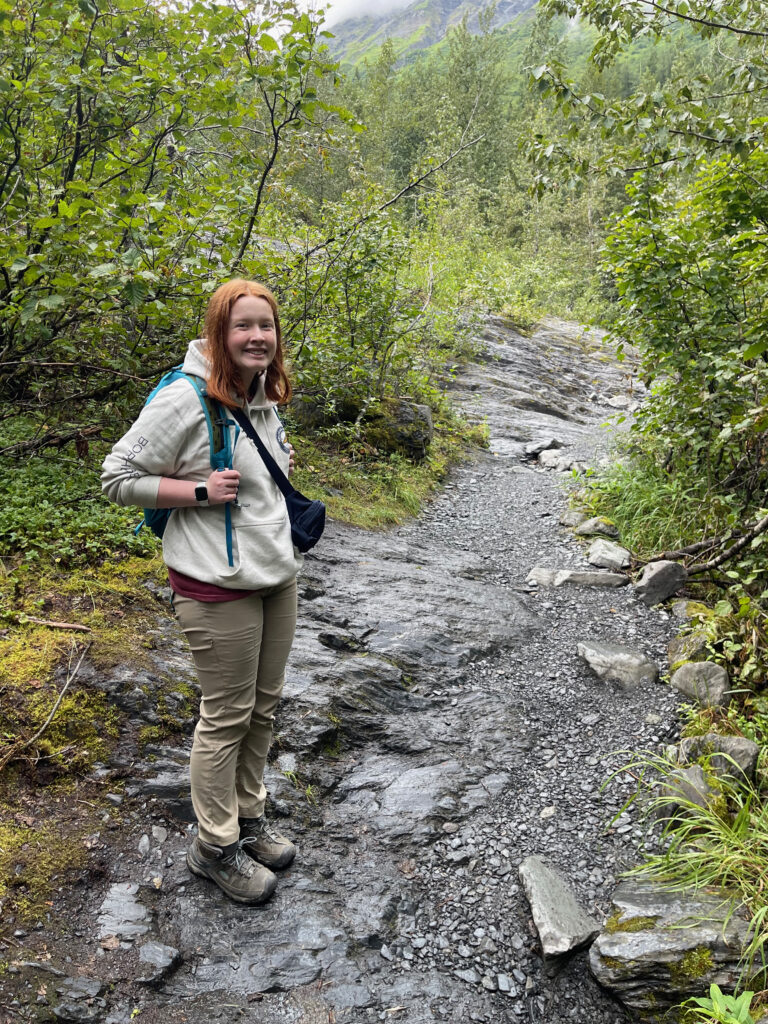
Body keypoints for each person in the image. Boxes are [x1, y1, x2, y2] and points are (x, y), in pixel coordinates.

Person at [101, 279, 302, 905]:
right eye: (243, 326)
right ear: (220, 332)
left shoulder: (260, 396)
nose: (256, 337)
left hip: (275, 577)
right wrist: (197, 493)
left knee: (263, 708)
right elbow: (117, 476)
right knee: (226, 717)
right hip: (214, 587)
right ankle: (213, 847)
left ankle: (247, 817)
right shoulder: (187, 400)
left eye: (265, 326)